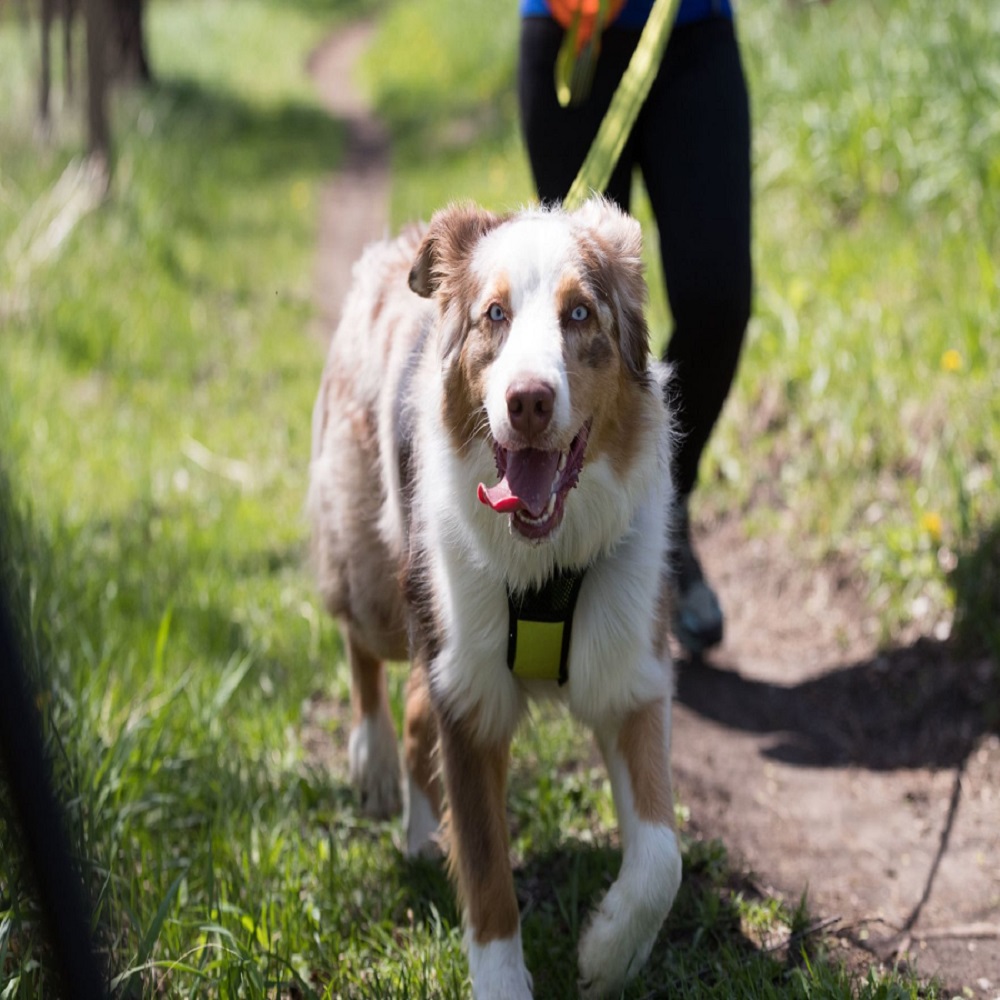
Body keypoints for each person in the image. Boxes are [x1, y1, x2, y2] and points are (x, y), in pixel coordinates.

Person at [517, 0, 752, 654]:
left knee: (718, 302)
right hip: (571, 27)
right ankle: (551, 594)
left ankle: (660, 510)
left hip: (691, 29)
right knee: (569, 323)